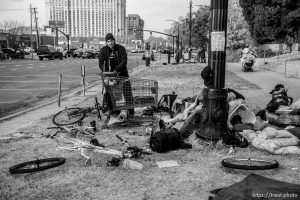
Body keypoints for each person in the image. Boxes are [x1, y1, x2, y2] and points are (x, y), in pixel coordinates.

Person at [99, 33, 134, 115]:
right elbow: (101, 63)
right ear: (106, 42)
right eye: (108, 41)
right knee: (110, 93)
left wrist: (116, 70)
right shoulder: (103, 50)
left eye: (111, 40)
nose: (110, 42)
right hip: (109, 76)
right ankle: (113, 110)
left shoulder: (121, 48)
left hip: (122, 74)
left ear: (114, 41)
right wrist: (107, 72)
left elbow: (124, 61)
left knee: (127, 92)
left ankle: (131, 111)